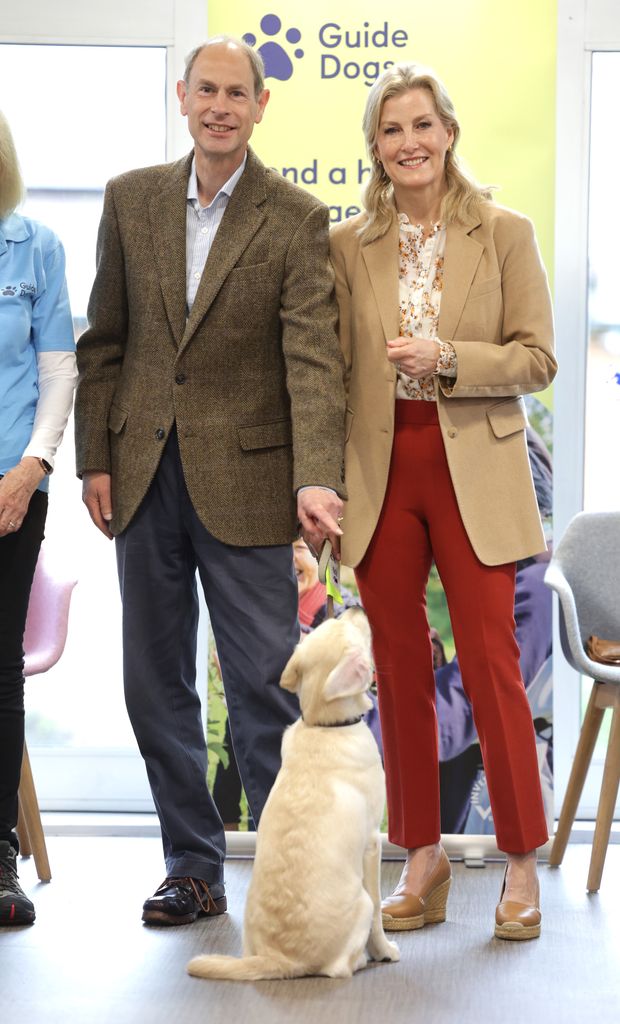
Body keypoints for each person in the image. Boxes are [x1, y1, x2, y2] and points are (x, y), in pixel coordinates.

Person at [74, 37, 345, 926]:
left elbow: (312, 359)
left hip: (253, 483)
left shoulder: (296, 216)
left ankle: (283, 869)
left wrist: (316, 478)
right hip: (143, 475)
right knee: (154, 680)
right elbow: (103, 340)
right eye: (207, 91)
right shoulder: (130, 199)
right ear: (182, 98)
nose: (221, 106)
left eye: (239, 92)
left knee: (267, 680)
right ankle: (193, 864)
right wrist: (95, 458)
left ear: (262, 106)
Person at [330, 63, 557, 940]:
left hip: (477, 467)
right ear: (376, 147)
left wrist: (450, 357)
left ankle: (521, 861)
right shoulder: (347, 245)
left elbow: (537, 357)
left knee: (496, 666)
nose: (409, 143)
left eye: (422, 125)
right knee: (398, 668)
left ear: (449, 132)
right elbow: (337, 371)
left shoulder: (505, 231)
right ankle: (419, 857)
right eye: (391, 131)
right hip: (383, 471)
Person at [0, 111, 76, 925]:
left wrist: (32, 468)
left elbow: (59, 371)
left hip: (12, 488)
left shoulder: (36, 247)